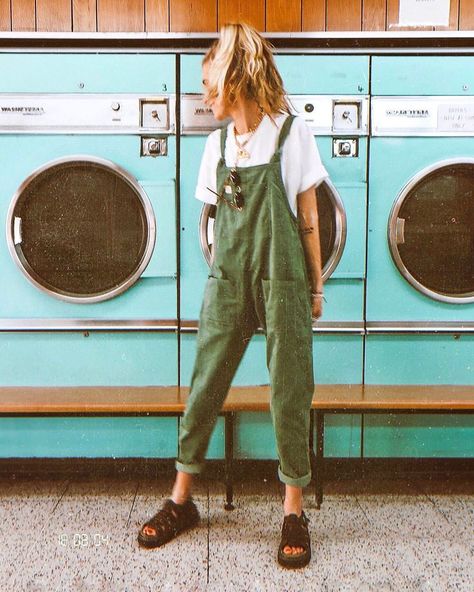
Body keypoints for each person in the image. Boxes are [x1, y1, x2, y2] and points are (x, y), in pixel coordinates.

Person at [138, 22, 328, 569]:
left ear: (235, 77)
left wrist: (316, 287)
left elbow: (310, 220)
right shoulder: (216, 143)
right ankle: (182, 501)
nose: (204, 96)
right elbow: (215, 222)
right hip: (229, 278)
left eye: (209, 83)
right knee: (205, 383)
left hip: (284, 278)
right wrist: (221, 279)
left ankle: (293, 512)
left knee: (289, 389)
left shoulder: (294, 134)